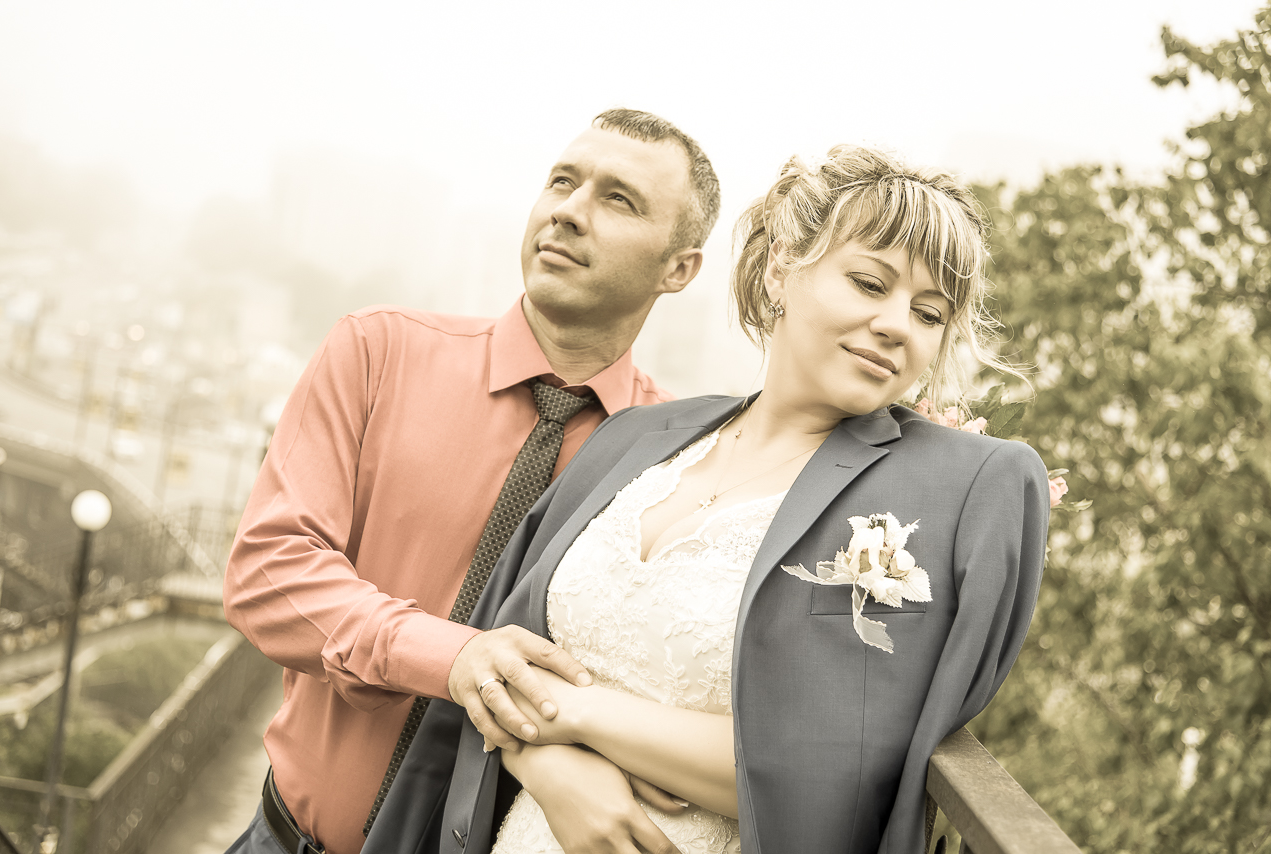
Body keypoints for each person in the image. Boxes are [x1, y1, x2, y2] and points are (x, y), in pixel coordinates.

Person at [419, 145, 1051, 854]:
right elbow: (502, 654)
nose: (898, 324)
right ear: (781, 268)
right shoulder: (635, 436)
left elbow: (838, 770)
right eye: (870, 283)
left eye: (929, 313)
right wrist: (545, 762)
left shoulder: (952, 491)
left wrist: (578, 714)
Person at [221, 108, 721, 854]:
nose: (569, 211)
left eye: (618, 199)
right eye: (562, 181)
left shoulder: (678, 459)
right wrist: (451, 657)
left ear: (679, 268)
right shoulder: (376, 351)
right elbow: (267, 572)